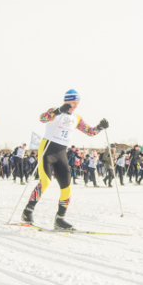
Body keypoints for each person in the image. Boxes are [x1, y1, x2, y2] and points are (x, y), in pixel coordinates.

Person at [20, 90, 108, 229]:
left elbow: (90, 132)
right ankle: (27, 211)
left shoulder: (76, 118)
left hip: (61, 152)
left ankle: (60, 219)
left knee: (67, 186)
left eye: (77, 103)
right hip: (48, 149)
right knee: (45, 182)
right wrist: (57, 111)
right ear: (67, 101)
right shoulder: (55, 111)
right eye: (74, 103)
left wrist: (100, 127)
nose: (76, 106)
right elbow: (42, 118)